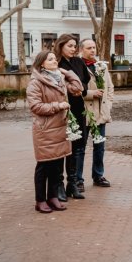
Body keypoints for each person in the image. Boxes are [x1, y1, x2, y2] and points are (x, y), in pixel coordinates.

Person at [26, 50, 83, 213]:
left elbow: (78, 88)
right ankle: (40, 200)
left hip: (60, 128)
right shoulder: (35, 82)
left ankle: (53, 197)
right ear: (41, 63)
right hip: (45, 130)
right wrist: (58, 106)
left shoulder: (60, 78)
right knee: (43, 167)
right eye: (50, 59)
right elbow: (35, 106)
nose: (55, 61)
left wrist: (67, 72)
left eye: (54, 59)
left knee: (57, 166)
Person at [54, 34, 90, 200]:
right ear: (61, 46)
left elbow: (85, 83)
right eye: (69, 45)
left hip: (78, 109)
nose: (73, 49)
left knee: (77, 148)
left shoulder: (78, 62)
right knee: (63, 149)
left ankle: (72, 184)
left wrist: (78, 87)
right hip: (62, 112)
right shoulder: (55, 63)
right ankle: (59, 185)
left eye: (75, 46)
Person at [80, 38, 113, 188]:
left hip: (100, 114)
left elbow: (110, 88)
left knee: (99, 146)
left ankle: (98, 175)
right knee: (80, 148)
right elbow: (73, 90)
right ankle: (78, 180)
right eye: (89, 48)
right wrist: (91, 94)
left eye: (94, 47)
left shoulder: (101, 66)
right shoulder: (77, 66)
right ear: (82, 50)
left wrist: (108, 105)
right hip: (85, 113)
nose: (92, 50)